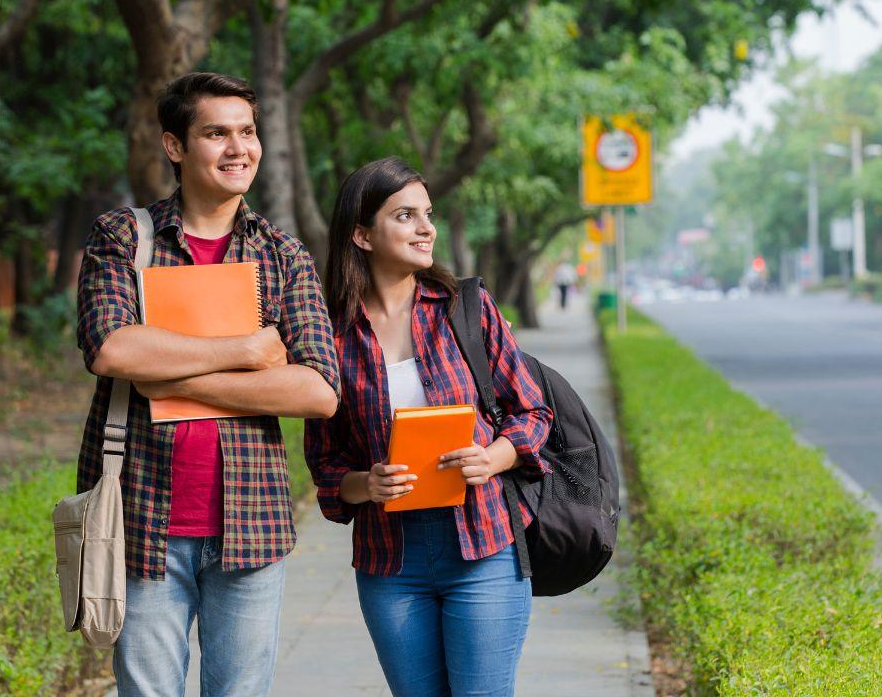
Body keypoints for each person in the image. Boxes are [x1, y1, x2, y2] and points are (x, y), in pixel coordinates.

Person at [76, 72, 339, 697]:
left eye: (246, 132)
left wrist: (170, 373)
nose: (237, 148)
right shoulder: (126, 240)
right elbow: (113, 348)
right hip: (141, 517)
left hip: (252, 519)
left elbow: (318, 391)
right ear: (174, 146)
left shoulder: (282, 255)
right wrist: (247, 351)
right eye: (215, 133)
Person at [304, 157, 553, 697]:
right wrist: (366, 484)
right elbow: (325, 467)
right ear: (362, 235)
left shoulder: (465, 307)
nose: (426, 228)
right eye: (405, 215)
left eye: (428, 214)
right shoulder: (329, 333)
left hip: (483, 542)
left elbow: (533, 414)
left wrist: (493, 457)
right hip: (390, 560)